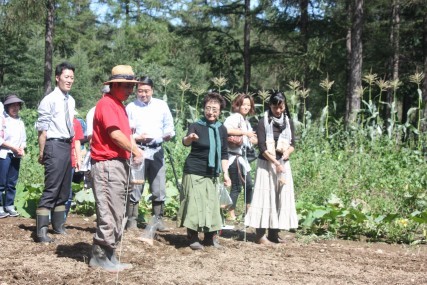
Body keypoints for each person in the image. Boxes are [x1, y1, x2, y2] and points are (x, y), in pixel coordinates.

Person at [89, 65, 143, 272]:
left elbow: (125, 135)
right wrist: (136, 152)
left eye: (132, 86)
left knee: (118, 211)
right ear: (115, 85)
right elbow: (115, 135)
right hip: (107, 165)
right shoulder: (107, 104)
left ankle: (109, 255)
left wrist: (133, 150)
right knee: (109, 210)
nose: (131, 90)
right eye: (127, 86)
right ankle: (100, 256)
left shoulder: (119, 105)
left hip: (118, 163)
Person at [178, 92, 231, 250]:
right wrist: (190, 138)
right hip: (194, 170)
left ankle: (210, 237)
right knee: (194, 204)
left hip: (212, 173)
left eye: (215, 109)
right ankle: (193, 236)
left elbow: (224, 153)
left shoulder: (221, 128)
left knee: (211, 205)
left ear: (220, 111)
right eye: (208, 108)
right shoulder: (196, 125)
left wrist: (226, 174)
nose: (211, 112)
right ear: (203, 109)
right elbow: (185, 142)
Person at [244, 91, 298, 245]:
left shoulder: (288, 122)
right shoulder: (263, 122)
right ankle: (260, 235)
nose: (278, 111)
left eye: (281, 107)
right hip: (267, 164)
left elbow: (293, 143)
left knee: (280, 197)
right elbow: (261, 147)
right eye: (275, 108)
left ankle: (274, 233)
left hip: (282, 163)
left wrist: (287, 152)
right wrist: (276, 162)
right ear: (270, 106)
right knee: (265, 197)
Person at [125, 76, 175, 231]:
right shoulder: (130, 107)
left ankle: (157, 220)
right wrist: (136, 137)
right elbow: (125, 132)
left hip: (157, 149)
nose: (143, 94)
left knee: (158, 187)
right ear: (136, 92)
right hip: (137, 149)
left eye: (146, 91)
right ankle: (132, 220)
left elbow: (169, 128)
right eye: (140, 91)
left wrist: (167, 135)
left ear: (152, 90)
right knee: (135, 186)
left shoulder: (161, 105)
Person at [35, 62, 76, 243]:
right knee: (52, 188)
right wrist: (42, 152)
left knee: (64, 190)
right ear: (57, 77)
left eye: (72, 78)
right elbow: (42, 129)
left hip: (67, 145)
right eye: (66, 77)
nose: (69, 81)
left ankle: (59, 226)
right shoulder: (49, 99)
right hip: (54, 145)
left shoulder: (71, 100)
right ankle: (41, 231)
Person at [223, 93, 257, 221]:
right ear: (238, 105)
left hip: (242, 158)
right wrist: (245, 133)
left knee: (248, 185)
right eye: (244, 104)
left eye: (249, 105)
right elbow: (225, 130)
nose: (246, 107)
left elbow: (250, 139)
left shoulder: (246, 121)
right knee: (237, 186)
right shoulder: (235, 117)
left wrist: (255, 139)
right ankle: (230, 213)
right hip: (233, 157)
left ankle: (248, 211)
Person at [0, 95, 26, 218]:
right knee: (1, 182)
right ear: (7, 107)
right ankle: (0, 206)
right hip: (4, 153)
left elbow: (23, 139)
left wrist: (21, 148)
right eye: (12, 105)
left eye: (17, 105)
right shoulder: (3, 120)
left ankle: (9, 205)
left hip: (16, 154)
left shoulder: (20, 121)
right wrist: (12, 147)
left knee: (12, 182)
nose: (15, 108)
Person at [64, 117, 84, 217]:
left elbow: (77, 142)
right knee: (54, 188)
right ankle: (50, 216)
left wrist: (79, 159)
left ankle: (62, 219)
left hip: (71, 159)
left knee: (68, 190)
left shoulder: (75, 122)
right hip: (57, 159)